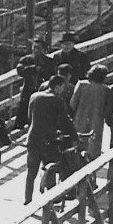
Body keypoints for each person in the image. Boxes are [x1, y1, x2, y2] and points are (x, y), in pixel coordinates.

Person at [25, 74, 77, 202]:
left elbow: (30, 118)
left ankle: (27, 200)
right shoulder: (58, 100)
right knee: (51, 169)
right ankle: (52, 200)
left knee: (31, 173)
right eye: (63, 87)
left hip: (33, 139)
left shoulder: (34, 96)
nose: (63, 90)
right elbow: (65, 121)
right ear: (57, 86)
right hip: (49, 140)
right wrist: (74, 136)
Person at [14, 38, 57, 129]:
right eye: (34, 48)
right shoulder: (26, 60)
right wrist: (34, 68)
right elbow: (20, 70)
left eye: (38, 48)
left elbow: (53, 76)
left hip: (42, 91)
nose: (36, 50)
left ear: (44, 49)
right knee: (23, 113)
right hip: (28, 91)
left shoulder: (50, 62)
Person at [71, 64, 110, 161]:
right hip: (96, 123)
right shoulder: (106, 89)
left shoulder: (82, 84)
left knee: (77, 146)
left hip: (79, 119)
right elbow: (107, 109)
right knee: (93, 149)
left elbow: (73, 103)